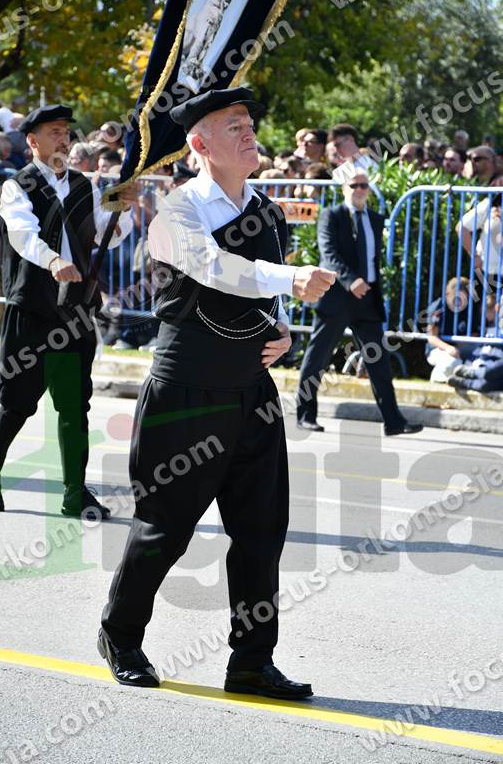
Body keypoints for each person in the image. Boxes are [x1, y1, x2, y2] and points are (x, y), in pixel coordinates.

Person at [99, 87, 335, 697]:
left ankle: (252, 662)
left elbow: (261, 295)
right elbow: (213, 269)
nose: (249, 132)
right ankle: (120, 635)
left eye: (249, 122)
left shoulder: (268, 211)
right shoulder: (176, 211)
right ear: (200, 144)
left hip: (251, 391)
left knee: (261, 532)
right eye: (234, 126)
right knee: (165, 529)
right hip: (188, 390)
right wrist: (289, 279)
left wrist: (281, 327)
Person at [0, 104, 135, 517]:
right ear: (32, 141)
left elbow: (108, 232)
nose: (63, 139)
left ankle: (75, 493)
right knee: (17, 403)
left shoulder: (83, 185)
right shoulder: (17, 186)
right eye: (54, 132)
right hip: (33, 308)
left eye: (66, 132)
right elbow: (23, 234)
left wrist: (123, 210)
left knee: (74, 407)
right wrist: (53, 260)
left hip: (75, 312)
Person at [296, 169, 422, 436]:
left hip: (366, 299)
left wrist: (369, 286)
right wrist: (350, 279)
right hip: (338, 298)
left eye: (364, 185)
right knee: (318, 357)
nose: (360, 189)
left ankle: (394, 421)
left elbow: (373, 258)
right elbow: (329, 253)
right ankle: (305, 414)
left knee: (379, 360)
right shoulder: (332, 215)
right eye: (354, 185)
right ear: (344, 188)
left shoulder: (375, 219)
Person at [425, 277, 479, 382]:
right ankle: (438, 376)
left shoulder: (470, 309)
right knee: (453, 363)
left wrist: (462, 343)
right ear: (448, 294)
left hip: (462, 348)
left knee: (480, 360)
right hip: (439, 349)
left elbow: (475, 334)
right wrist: (448, 348)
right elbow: (432, 337)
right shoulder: (439, 307)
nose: (458, 302)